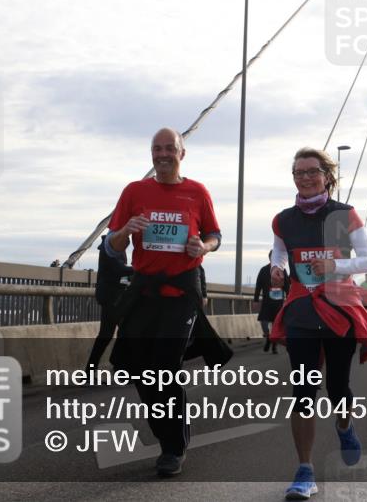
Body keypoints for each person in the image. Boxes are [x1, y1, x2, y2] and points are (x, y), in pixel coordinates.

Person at [106, 127, 225, 476]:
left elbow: (215, 235)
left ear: (181, 153)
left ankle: (173, 448)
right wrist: (126, 231)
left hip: (181, 294)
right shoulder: (134, 191)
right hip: (144, 293)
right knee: (141, 373)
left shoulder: (196, 191)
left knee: (165, 369)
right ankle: (166, 436)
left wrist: (204, 247)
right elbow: (113, 247)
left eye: (169, 148)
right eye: (157, 148)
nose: (162, 154)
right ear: (151, 153)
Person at [268, 147, 367, 499]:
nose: (305, 178)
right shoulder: (284, 219)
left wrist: (335, 266)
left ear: (327, 176)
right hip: (301, 309)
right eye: (299, 173)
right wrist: (278, 267)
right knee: (303, 391)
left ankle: (345, 426)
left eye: (312, 171)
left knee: (338, 388)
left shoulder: (344, 216)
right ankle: (305, 471)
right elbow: (280, 250)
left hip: (339, 308)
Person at [86, 234, 134, 371]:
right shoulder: (109, 249)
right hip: (111, 296)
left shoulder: (115, 247)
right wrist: (139, 269)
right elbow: (118, 270)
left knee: (106, 334)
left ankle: (89, 371)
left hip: (112, 295)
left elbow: (120, 271)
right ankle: (121, 367)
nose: (126, 246)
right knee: (126, 329)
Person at [253, 251, 289, 354]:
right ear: (269, 258)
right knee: (263, 322)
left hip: (278, 303)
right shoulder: (263, 270)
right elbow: (258, 286)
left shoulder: (283, 271)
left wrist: (290, 299)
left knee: (275, 325)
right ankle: (268, 337)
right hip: (266, 301)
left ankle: (274, 346)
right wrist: (255, 300)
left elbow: (287, 287)